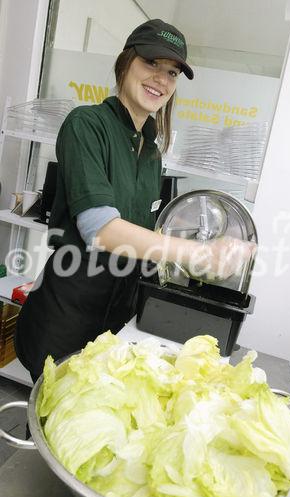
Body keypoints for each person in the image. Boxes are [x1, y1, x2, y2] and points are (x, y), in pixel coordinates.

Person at [14, 19, 254, 383]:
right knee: (56, 424)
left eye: (172, 73)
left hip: (117, 319)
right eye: (151, 64)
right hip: (68, 315)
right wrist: (195, 254)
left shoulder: (152, 152)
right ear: (125, 62)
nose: (161, 79)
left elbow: (141, 234)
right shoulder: (87, 125)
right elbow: (100, 230)